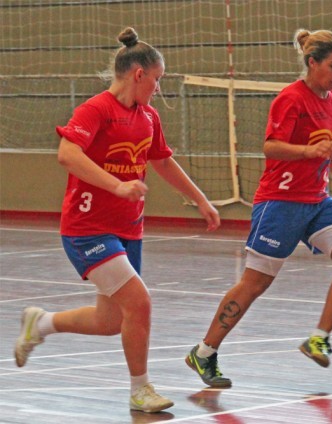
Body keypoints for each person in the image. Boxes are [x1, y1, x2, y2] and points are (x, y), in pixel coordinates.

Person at [14, 27, 221, 413]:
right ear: (138, 74)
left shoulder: (148, 117)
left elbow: (161, 160)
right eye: (156, 80)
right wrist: (117, 185)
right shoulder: (96, 110)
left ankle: (40, 324)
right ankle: (141, 390)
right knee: (139, 304)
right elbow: (67, 154)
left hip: (128, 229)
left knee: (111, 320)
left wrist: (200, 199)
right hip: (87, 228)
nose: (158, 89)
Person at [185, 28, 332, 388]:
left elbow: (328, 146)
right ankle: (204, 351)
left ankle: (319, 337)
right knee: (255, 284)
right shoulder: (290, 99)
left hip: (317, 200)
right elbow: (271, 147)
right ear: (312, 62)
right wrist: (306, 153)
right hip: (281, 202)